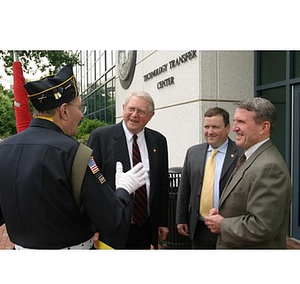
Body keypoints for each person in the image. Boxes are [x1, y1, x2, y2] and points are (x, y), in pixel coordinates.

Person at [0, 64, 147, 250]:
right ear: (64, 110)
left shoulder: (3, 150)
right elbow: (112, 220)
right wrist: (124, 189)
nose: (82, 115)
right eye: (79, 107)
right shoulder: (76, 154)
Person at [205, 97, 292, 249]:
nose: (234, 128)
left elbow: (262, 226)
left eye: (242, 122)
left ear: (264, 127)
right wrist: (225, 212)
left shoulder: (269, 166)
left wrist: (222, 224)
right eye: (235, 121)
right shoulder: (250, 157)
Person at [88, 91, 169, 249]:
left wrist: (162, 222)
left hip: (145, 226)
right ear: (123, 108)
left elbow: (162, 184)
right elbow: (91, 184)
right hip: (111, 226)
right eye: (131, 109)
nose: (134, 115)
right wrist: (94, 228)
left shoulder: (158, 141)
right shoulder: (100, 137)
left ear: (151, 115)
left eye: (141, 111)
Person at [176, 107, 243, 249]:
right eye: (206, 126)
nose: (210, 131)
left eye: (215, 127)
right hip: (199, 226)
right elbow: (185, 188)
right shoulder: (193, 153)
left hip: (228, 227)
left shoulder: (241, 154)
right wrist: (181, 218)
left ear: (228, 128)